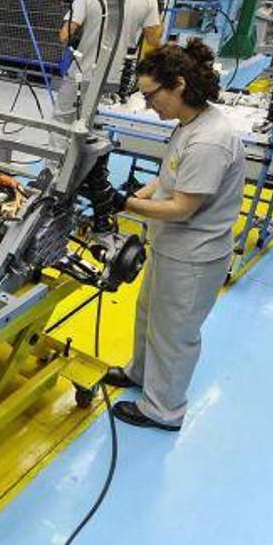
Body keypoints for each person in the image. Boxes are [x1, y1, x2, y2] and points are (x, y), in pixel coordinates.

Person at [104, 39, 246, 430]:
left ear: (178, 86)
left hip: (194, 256)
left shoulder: (209, 141)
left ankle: (163, 409)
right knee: (149, 314)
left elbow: (183, 207)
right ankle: (140, 373)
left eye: (152, 96)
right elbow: (168, 180)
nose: (149, 105)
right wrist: (134, 194)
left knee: (174, 333)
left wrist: (122, 204)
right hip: (171, 246)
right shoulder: (189, 123)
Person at [55, 0, 163, 128]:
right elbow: (153, 41)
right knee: (98, 126)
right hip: (116, 79)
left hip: (83, 74)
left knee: (63, 123)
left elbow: (65, 36)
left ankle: (58, 159)